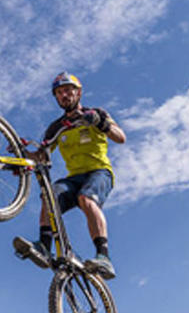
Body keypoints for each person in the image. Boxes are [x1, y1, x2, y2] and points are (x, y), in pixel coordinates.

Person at [13, 72, 125, 279]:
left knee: (86, 198)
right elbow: (41, 156)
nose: (63, 95)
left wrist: (101, 123)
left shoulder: (96, 112)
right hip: (74, 177)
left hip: (99, 172)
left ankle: (104, 257)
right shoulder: (56, 128)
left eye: (67, 91)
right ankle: (44, 248)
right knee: (49, 194)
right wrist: (22, 156)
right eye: (59, 93)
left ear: (78, 92)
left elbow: (120, 137)